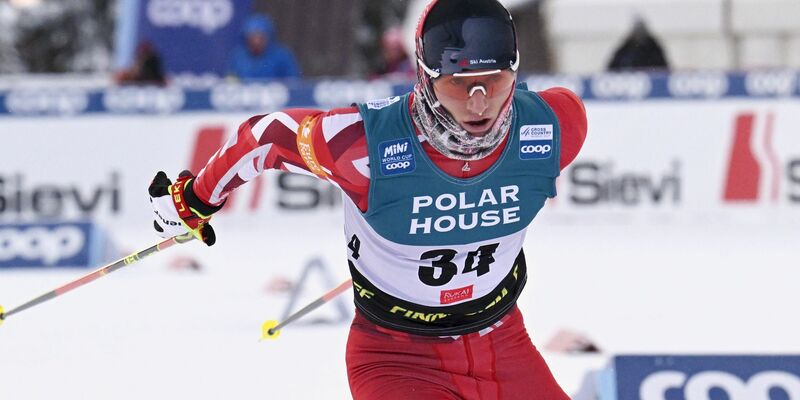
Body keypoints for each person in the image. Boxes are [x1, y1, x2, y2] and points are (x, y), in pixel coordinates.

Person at [148, 0, 587, 398]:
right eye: (459, 86)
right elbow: (267, 137)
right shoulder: (363, 145)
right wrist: (196, 198)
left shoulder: (557, 125)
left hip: (504, 345)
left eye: (493, 82)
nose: (479, 104)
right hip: (398, 360)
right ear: (425, 77)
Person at [227, 14, 301, 80]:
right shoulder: (238, 57)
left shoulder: (282, 55)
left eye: (260, 37)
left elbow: (293, 82)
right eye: (252, 37)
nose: (256, 42)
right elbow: (231, 80)